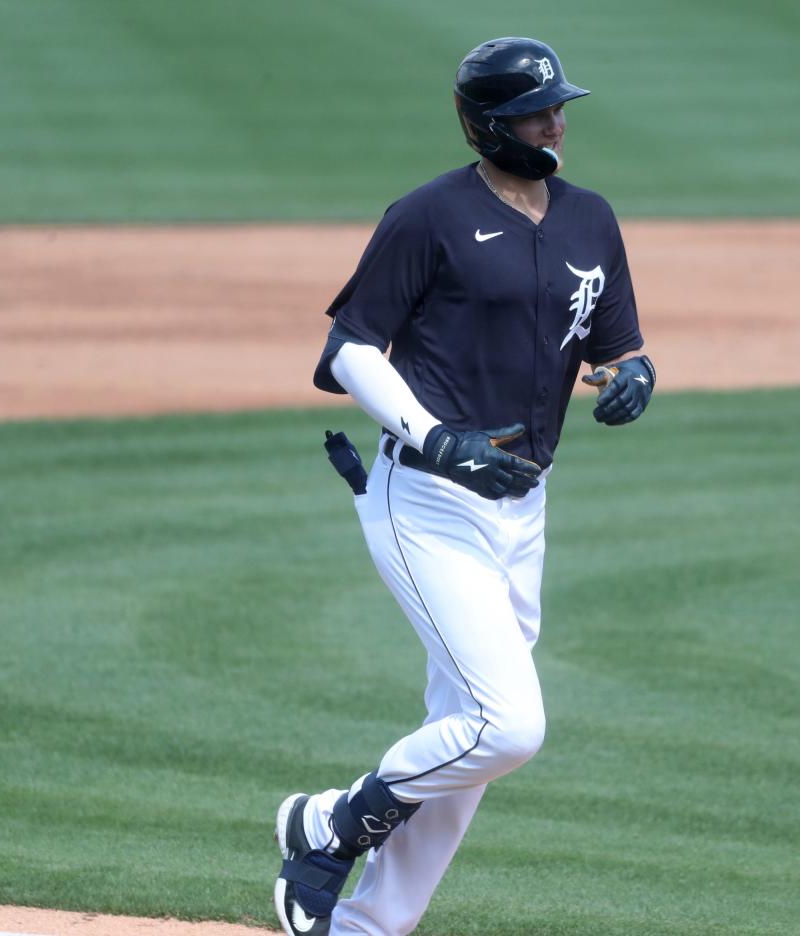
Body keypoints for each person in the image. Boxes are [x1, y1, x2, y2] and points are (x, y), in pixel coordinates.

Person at [273, 36, 655, 936]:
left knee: (467, 734)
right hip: (428, 504)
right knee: (508, 726)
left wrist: (635, 373)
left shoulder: (589, 218)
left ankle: (368, 926)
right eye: (535, 110)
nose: (556, 121)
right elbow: (350, 352)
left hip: (525, 512)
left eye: (559, 105)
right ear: (486, 123)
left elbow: (612, 343)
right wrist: (437, 439)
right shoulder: (429, 216)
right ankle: (328, 823)